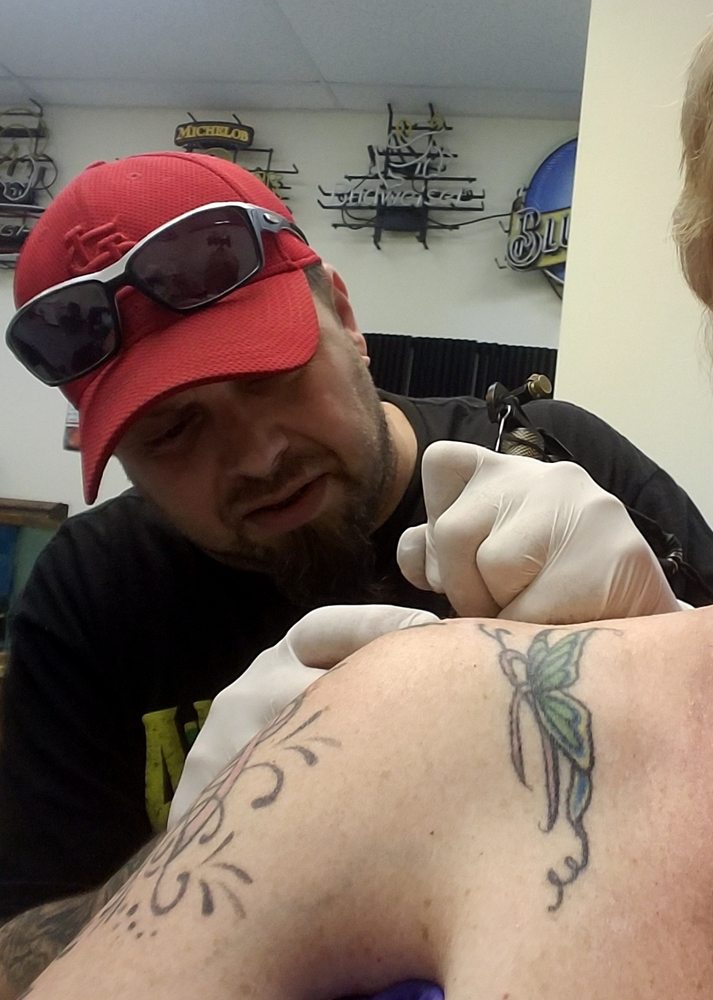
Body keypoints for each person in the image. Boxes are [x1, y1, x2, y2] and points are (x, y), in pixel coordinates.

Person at [1, 150, 712, 993]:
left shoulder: (554, 452)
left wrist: (662, 636)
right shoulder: (90, 596)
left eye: (269, 376)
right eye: (173, 433)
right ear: (118, 454)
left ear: (344, 319)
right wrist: (194, 849)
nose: (258, 456)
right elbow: (18, 955)